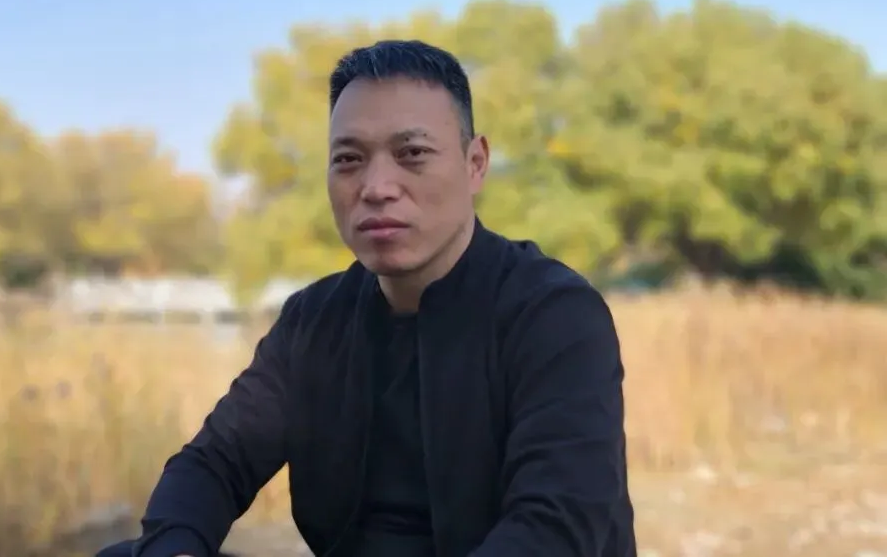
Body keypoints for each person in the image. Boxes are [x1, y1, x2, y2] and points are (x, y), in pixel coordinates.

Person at [98, 39, 636, 557]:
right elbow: (214, 462)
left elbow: (555, 528)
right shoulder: (313, 322)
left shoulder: (556, 314)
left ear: (475, 164)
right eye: (349, 159)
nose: (376, 187)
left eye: (412, 154)